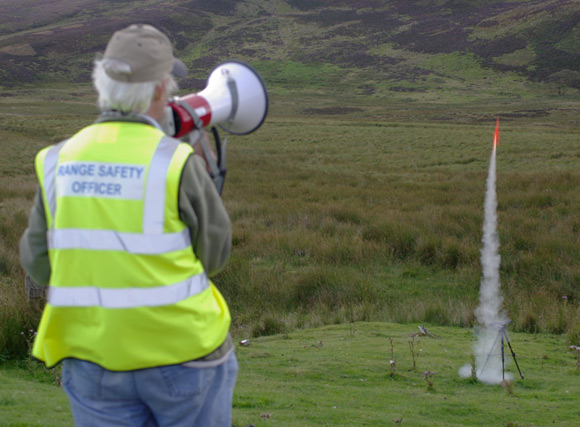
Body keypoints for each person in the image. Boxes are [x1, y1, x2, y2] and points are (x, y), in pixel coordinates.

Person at [19, 24, 237, 426]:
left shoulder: (55, 160)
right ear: (159, 89)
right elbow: (215, 255)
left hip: (90, 358)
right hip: (184, 354)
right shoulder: (175, 161)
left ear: (103, 82)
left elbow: (36, 261)